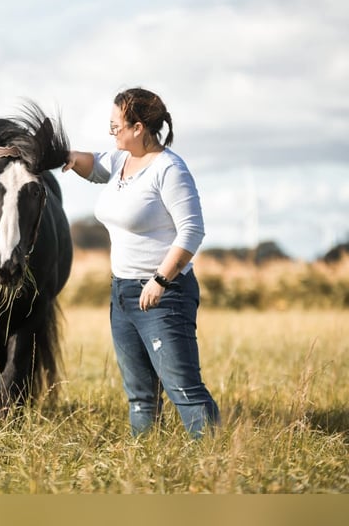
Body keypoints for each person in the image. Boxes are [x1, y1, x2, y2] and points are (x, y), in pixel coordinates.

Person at [63, 87, 219, 439]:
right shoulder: (121, 161)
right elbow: (93, 164)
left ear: (138, 127)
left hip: (164, 295)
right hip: (122, 293)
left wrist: (160, 281)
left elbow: (192, 231)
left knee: (184, 389)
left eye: (116, 125)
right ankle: (145, 460)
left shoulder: (170, 169)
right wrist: (68, 156)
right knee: (139, 396)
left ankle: (213, 461)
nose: (111, 132)